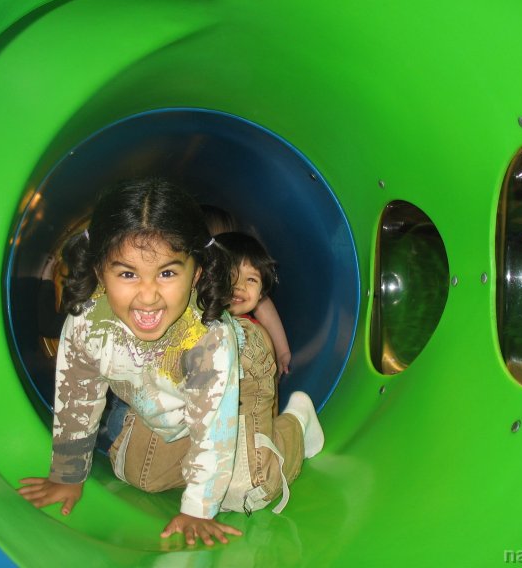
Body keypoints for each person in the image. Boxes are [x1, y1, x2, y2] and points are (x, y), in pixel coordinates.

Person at [18, 177, 322, 546]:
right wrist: (67, 475)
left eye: (167, 273)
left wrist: (198, 508)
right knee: (138, 476)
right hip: (166, 394)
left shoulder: (209, 338)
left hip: (244, 369)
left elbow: (214, 426)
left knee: (246, 490)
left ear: (196, 274)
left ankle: (296, 424)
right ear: (100, 272)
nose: (148, 296)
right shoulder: (88, 325)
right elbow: (77, 397)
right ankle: (203, 451)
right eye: (127, 273)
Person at [213, 231, 324, 515]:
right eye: (230, 275)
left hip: (252, 407)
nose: (239, 286)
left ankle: (294, 421)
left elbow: (266, 394)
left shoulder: (254, 336)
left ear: (261, 290)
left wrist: (283, 351)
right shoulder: (201, 319)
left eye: (251, 280)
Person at [200, 204, 293, 376]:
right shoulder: (191, 278)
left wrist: (282, 352)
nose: (238, 284)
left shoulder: (252, 315)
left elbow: (264, 307)